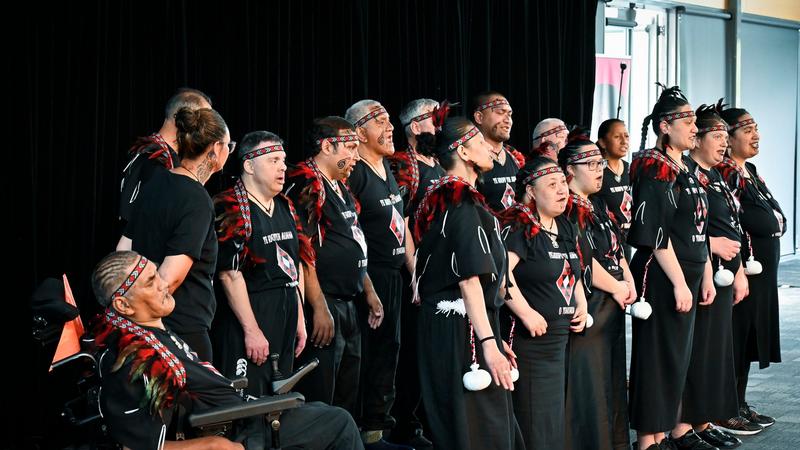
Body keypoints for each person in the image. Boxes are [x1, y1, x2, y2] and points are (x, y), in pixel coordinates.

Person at [91, 250, 363, 450]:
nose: (164, 283)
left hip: (243, 412)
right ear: (123, 306)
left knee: (317, 410)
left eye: (156, 272)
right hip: (239, 430)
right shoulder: (133, 359)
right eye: (150, 282)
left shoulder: (152, 332)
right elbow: (139, 444)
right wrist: (212, 445)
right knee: (339, 423)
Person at [413, 117, 523, 450]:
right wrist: (488, 343)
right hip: (459, 333)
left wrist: (492, 334)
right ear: (462, 150)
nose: (490, 147)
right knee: (477, 431)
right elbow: (468, 280)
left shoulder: (449, 196)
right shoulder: (457, 199)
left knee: (489, 426)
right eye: (480, 141)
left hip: (467, 327)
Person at [627, 84, 715, 450]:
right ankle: (649, 439)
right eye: (688, 121)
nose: (695, 128)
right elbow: (656, 234)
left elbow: (700, 228)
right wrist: (680, 283)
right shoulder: (655, 168)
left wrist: (705, 274)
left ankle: (670, 431)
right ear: (665, 126)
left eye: (696, 121)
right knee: (657, 360)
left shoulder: (686, 168)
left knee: (680, 359)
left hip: (691, 274)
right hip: (662, 278)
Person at [284, 116, 381, 419]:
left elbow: (354, 241)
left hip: (350, 302)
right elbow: (304, 252)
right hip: (327, 302)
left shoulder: (341, 187)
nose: (356, 156)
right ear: (327, 146)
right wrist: (319, 306)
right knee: (323, 392)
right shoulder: (306, 186)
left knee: (347, 389)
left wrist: (370, 291)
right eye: (350, 148)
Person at [117, 106, 231, 361]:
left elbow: (122, 253)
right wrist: (152, 324)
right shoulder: (197, 199)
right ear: (215, 149)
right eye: (228, 146)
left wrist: (130, 314)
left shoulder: (155, 183)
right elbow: (170, 278)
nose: (228, 153)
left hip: (143, 324)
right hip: (179, 328)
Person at [211, 130, 313, 397]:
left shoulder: (286, 205)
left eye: (283, 160)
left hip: (286, 308)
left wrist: (300, 318)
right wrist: (251, 330)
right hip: (252, 311)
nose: (282, 167)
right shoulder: (231, 206)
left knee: (281, 396)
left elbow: (296, 265)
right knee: (250, 397)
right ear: (249, 165)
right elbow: (229, 274)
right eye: (273, 160)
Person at [498, 156, 588, 449]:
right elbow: (500, 277)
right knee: (534, 419)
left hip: (560, 340)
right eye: (552, 184)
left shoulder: (564, 225)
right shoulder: (520, 226)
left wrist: (581, 301)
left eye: (563, 182)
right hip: (530, 342)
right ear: (531, 191)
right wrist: (526, 313)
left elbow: (573, 269)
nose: (562, 190)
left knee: (552, 418)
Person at [558, 130, 635, 450]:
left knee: (612, 382)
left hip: (613, 303)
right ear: (569, 170)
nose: (599, 169)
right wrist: (617, 286)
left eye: (600, 162)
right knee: (589, 384)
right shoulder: (566, 209)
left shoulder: (599, 205)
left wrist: (628, 281)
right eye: (589, 164)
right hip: (591, 303)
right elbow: (582, 260)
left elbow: (617, 250)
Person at [344, 100, 413, 450]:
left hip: (395, 276)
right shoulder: (355, 173)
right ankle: (361, 435)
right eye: (381, 122)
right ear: (358, 133)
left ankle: (378, 432)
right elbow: (350, 235)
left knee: (390, 352)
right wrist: (369, 289)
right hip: (369, 280)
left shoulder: (387, 167)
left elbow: (402, 225)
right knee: (369, 356)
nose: (390, 128)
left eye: (390, 120)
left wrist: (413, 271)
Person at [678, 102, 746, 449]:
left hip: (723, 275)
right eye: (716, 136)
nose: (723, 142)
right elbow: (681, 227)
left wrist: (740, 270)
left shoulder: (715, 175)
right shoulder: (686, 172)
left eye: (724, 136)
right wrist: (711, 244)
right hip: (699, 273)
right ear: (697, 139)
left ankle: (703, 420)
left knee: (715, 351)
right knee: (697, 351)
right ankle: (685, 424)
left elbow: (732, 224)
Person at [714, 106, 786, 434]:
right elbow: (729, 222)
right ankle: (724, 407)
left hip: (762, 274)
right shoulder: (726, 174)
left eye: (756, 128)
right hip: (740, 272)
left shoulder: (750, 170)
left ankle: (739, 401)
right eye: (748, 130)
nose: (755, 135)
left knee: (748, 340)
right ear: (727, 138)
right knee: (735, 339)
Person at [386, 98, 450, 448]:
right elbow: (402, 220)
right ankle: (405, 424)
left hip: (443, 272)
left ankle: (430, 418)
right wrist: (414, 272)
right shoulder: (402, 166)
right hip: (415, 276)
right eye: (431, 121)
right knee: (411, 353)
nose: (437, 128)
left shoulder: (439, 164)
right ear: (414, 126)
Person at [119, 88, 212, 223]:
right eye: (204, 122)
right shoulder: (151, 160)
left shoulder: (169, 158)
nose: (207, 130)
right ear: (182, 118)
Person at [470, 91, 525, 211]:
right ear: (479, 117)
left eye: (510, 114)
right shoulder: (469, 159)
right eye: (500, 112)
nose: (508, 120)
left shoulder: (517, 160)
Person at [595, 119, 634, 249]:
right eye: (617, 137)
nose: (624, 141)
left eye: (626, 136)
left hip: (629, 239)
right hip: (606, 240)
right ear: (602, 142)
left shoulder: (631, 169)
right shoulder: (596, 172)